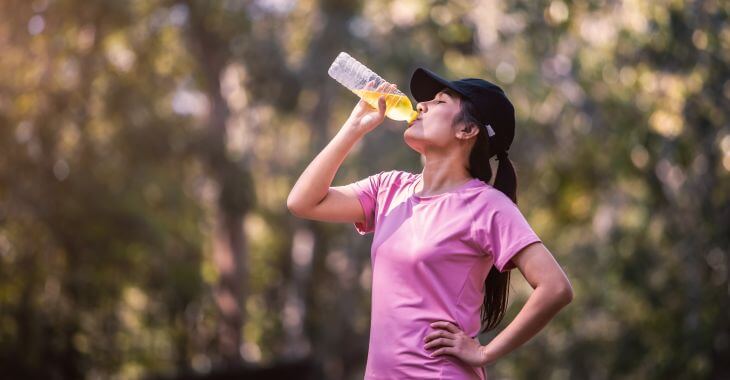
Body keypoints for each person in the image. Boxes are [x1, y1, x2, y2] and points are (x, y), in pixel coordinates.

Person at [287, 67, 573, 379]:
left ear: (467, 131)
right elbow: (303, 202)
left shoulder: (487, 206)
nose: (421, 105)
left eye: (439, 102)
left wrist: (484, 353)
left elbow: (555, 287)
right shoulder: (389, 189)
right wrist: (354, 127)